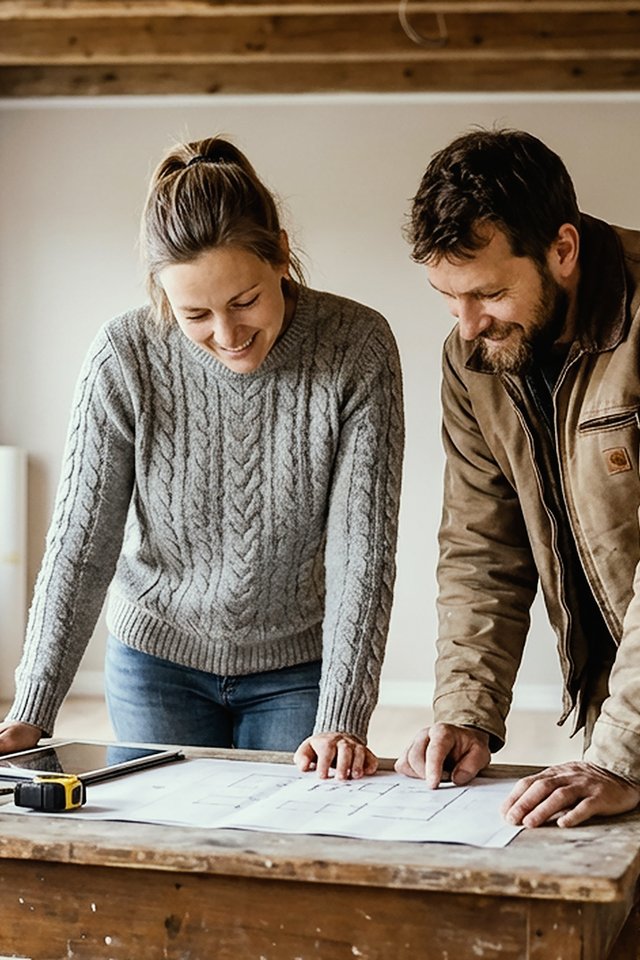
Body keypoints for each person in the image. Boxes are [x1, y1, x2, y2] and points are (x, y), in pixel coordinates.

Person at [0, 136, 404, 780]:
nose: (228, 334)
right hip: (155, 663)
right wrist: (33, 706)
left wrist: (343, 713)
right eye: (195, 314)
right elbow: (83, 541)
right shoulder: (125, 355)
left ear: (280, 253)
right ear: (164, 298)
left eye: (245, 301)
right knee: (169, 854)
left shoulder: (356, 346)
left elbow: (364, 546)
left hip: (296, 671)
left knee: (286, 851)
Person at [395, 127, 640, 827]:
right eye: (448, 299)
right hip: (618, 695)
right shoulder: (472, 360)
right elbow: (482, 549)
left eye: (489, 293)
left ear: (562, 250)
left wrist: (621, 753)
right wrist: (466, 712)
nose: (468, 326)